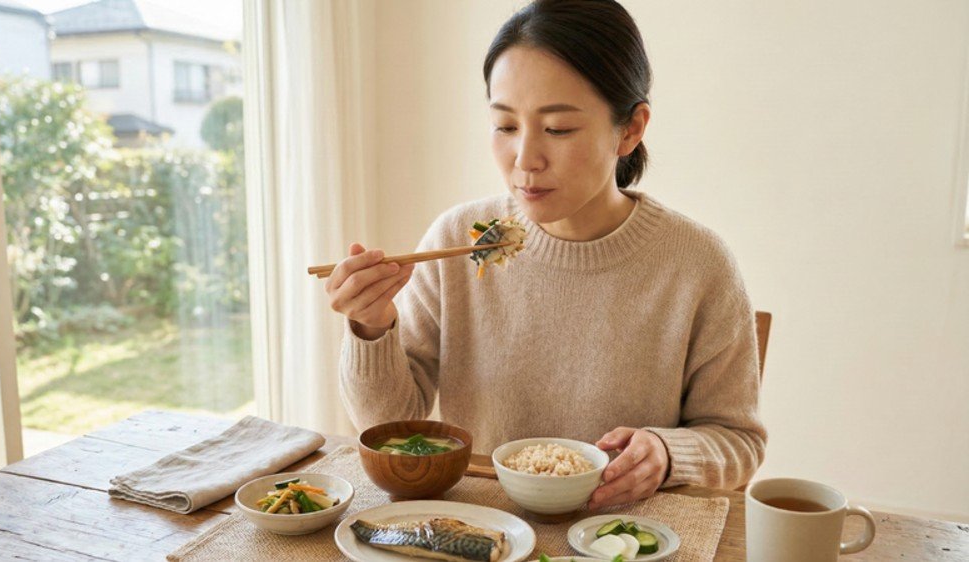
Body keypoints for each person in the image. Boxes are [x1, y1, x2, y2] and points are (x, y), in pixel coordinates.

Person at [326, 0, 765, 509]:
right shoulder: (460, 239)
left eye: (558, 129)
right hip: (478, 525)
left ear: (630, 128)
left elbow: (740, 442)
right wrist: (372, 327)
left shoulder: (697, 264)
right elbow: (386, 427)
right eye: (506, 126)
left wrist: (667, 453)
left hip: (615, 534)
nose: (525, 160)